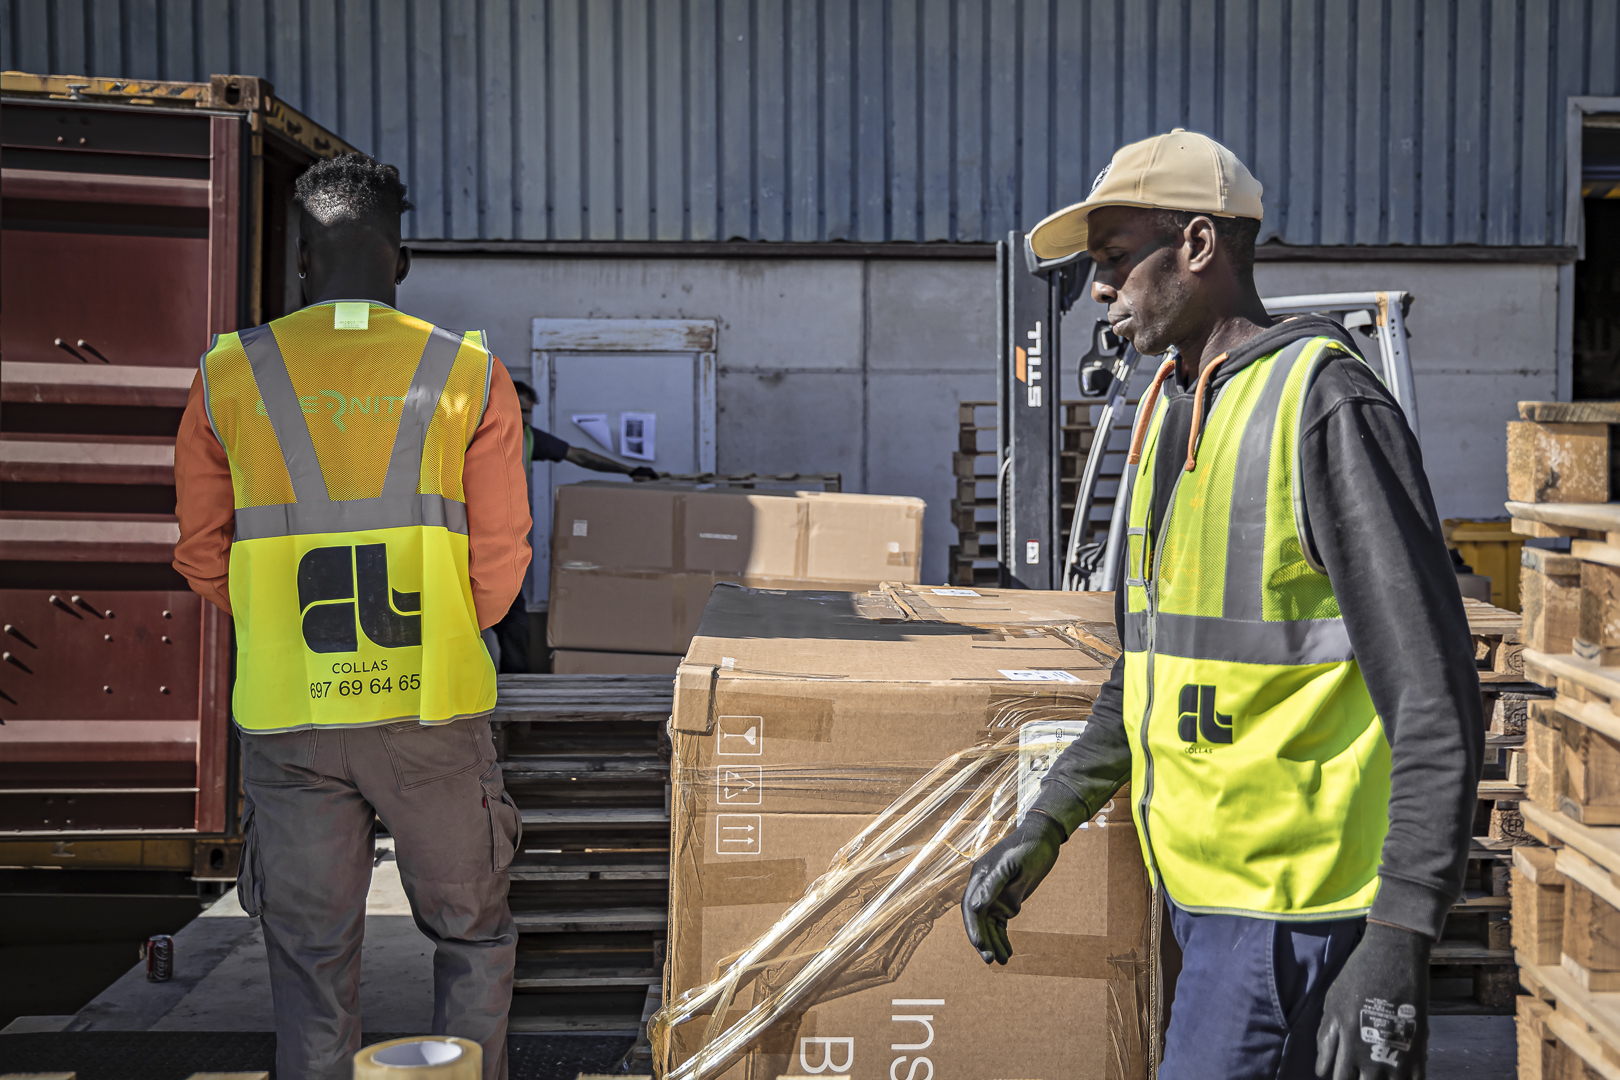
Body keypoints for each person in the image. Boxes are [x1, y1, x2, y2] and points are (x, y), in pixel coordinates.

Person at [961, 130, 1481, 1080]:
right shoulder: (1175, 406)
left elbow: (1436, 696)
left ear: (1199, 246)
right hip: (1205, 902)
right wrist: (1046, 824)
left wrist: (1403, 929)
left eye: (1115, 261)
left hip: (1296, 920)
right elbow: (1151, 666)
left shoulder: (1324, 408)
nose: (1102, 291)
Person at [173, 153, 530, 1080]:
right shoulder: (467, 371)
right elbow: (500, 558)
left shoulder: (227, 376)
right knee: (471, 937)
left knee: (309, 956)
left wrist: (281, 622)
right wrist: (446, 628)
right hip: (432, 706)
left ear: (300, 260)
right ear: (399, 259)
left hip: (292, 716)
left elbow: (203, 552)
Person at [492, 381, 656, 672]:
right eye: (516, 409)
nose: (521, 419)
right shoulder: (473, 432)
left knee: (512, 610)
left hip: (507, 540)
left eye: (526, 414)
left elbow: (578, 455)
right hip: (466, 536)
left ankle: (516, 686)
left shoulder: (528, 437)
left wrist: (630, 470)